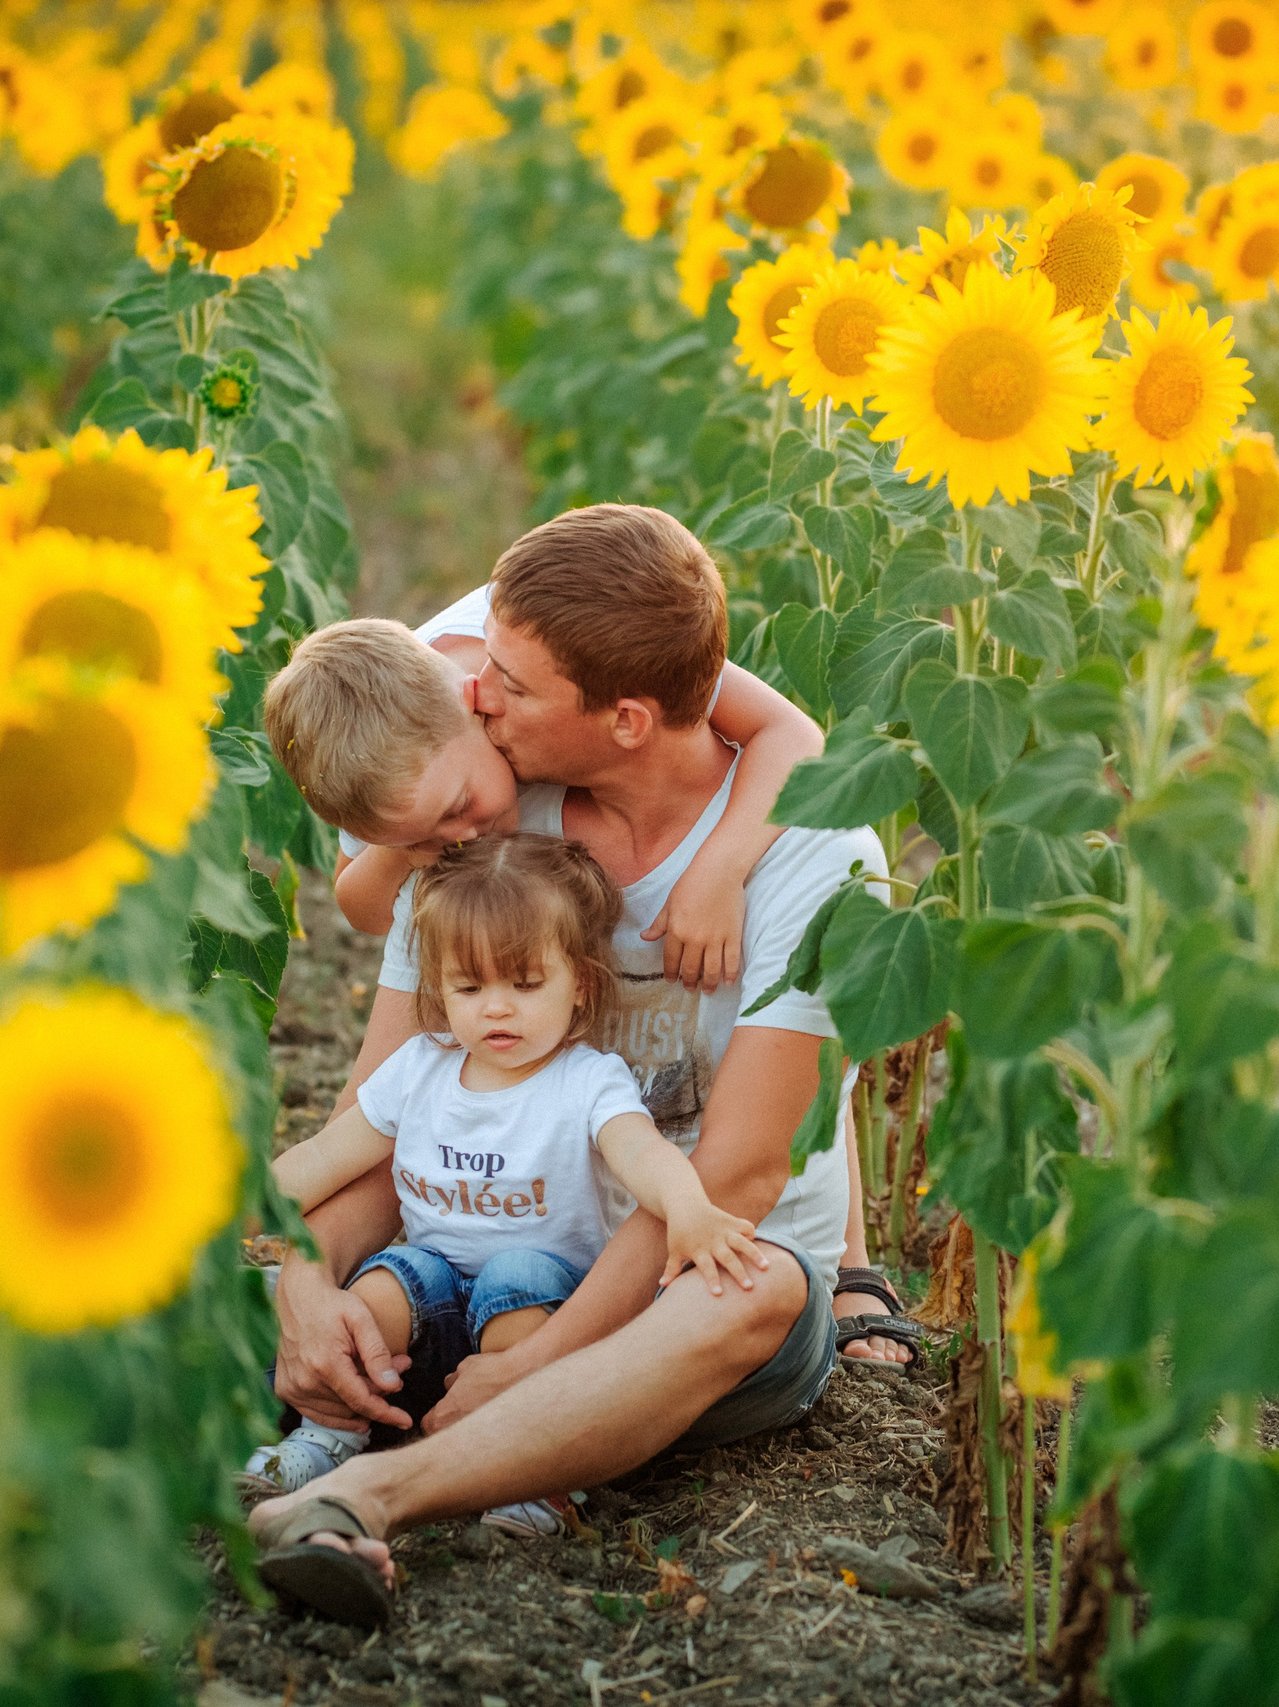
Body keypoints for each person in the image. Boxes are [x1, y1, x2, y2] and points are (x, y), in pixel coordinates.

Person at [245, 504, 901, 1626]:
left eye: (511, 682)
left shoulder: (817, 854)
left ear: (629, 719)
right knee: (264, 1286)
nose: (477, 695)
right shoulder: (482, 831)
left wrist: (541, 1364)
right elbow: (385, 1106)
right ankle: (386, 1408)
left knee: (754, 1287)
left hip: (677, 1309)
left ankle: (367, 1493)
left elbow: (739, 1176)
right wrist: (301, 1280)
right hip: (480, 1269)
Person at [264, 588, 920, 1371]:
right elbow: (366, 925)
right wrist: (305, 1276)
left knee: (785, 1027)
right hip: (553, 1239)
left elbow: (790, 732)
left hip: (712, 1226)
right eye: (425, 840)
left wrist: (720, 867)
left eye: (462, 809)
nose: (462, 841)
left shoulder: (581, 648)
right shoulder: (401, 760)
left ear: (474, 703)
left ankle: (850, 1260)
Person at [249, 832, 765, 1538]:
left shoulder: (586, 1080)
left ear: (579, 983)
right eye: (470, 987)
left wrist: (689, 1210)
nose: (497, 1008)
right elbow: (323, 1158)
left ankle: (530, 1471)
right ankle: (331, 1431)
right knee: (386, 1279)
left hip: (537, 1315)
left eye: (525, 985)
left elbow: (643, 1153)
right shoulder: (419, 1070)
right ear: (439, 987)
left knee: (517, 1276)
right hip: (434, 1308)